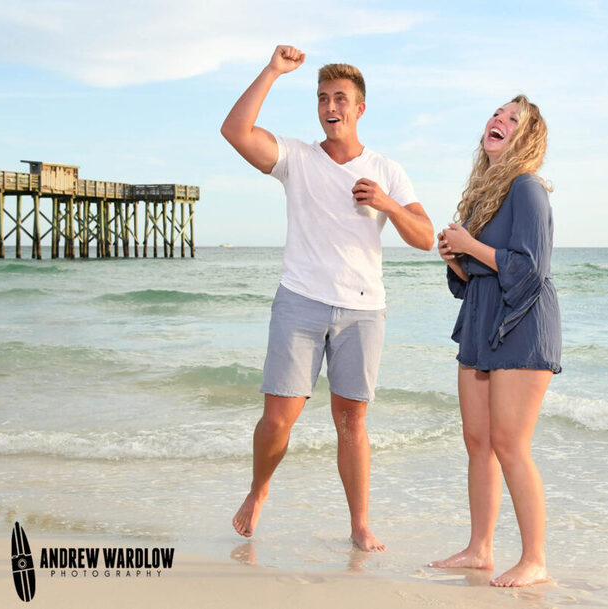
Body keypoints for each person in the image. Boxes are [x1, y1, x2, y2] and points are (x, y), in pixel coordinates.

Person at [220, 45, 434, 552]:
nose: (329, 106)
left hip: (363, 311)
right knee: (277, 420)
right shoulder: (296, 157)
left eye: (340, 98)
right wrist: (273, 71)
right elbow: (235, 132)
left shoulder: (388, 169)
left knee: (352, 422)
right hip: (300, 301)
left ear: (360, 108)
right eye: (322, 98)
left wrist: (385, 203)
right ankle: (259, 489)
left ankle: (360, 525)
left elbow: (425, 236)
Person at [428, 95, 561, 586]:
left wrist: (470, 245)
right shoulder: (483, 195)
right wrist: (454, 259)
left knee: (510, 444)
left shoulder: (528, 189)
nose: (498, 121)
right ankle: (479, 549)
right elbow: (471, 279)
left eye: (513, 119)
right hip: (481, 322)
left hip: (522, 324)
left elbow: (530, 270)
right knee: (477, 441)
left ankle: (534, 559)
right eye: (497, 113)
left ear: (526, 138)